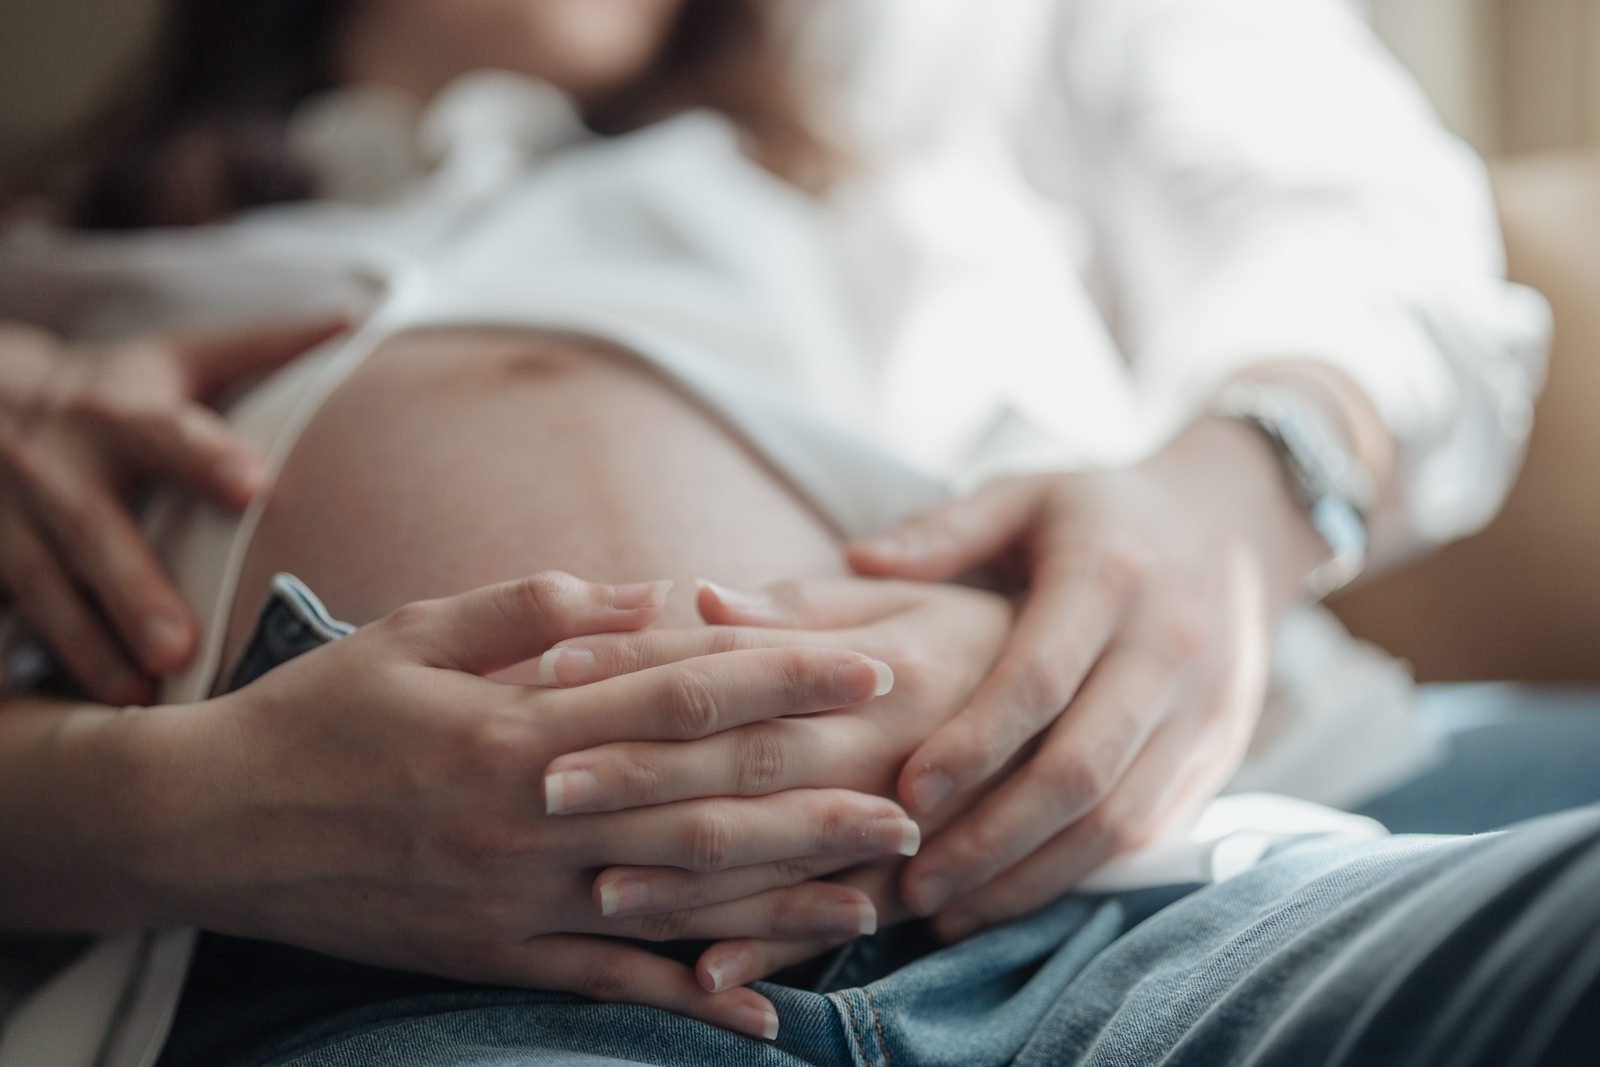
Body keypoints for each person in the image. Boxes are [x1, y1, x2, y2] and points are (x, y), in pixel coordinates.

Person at [1, 1, 1596, 1065]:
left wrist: (1230, 504)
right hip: (451, 995)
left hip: (1168, 902)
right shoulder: (59, 276)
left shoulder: (937, 64)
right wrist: (177, 807)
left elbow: (1372, 246)